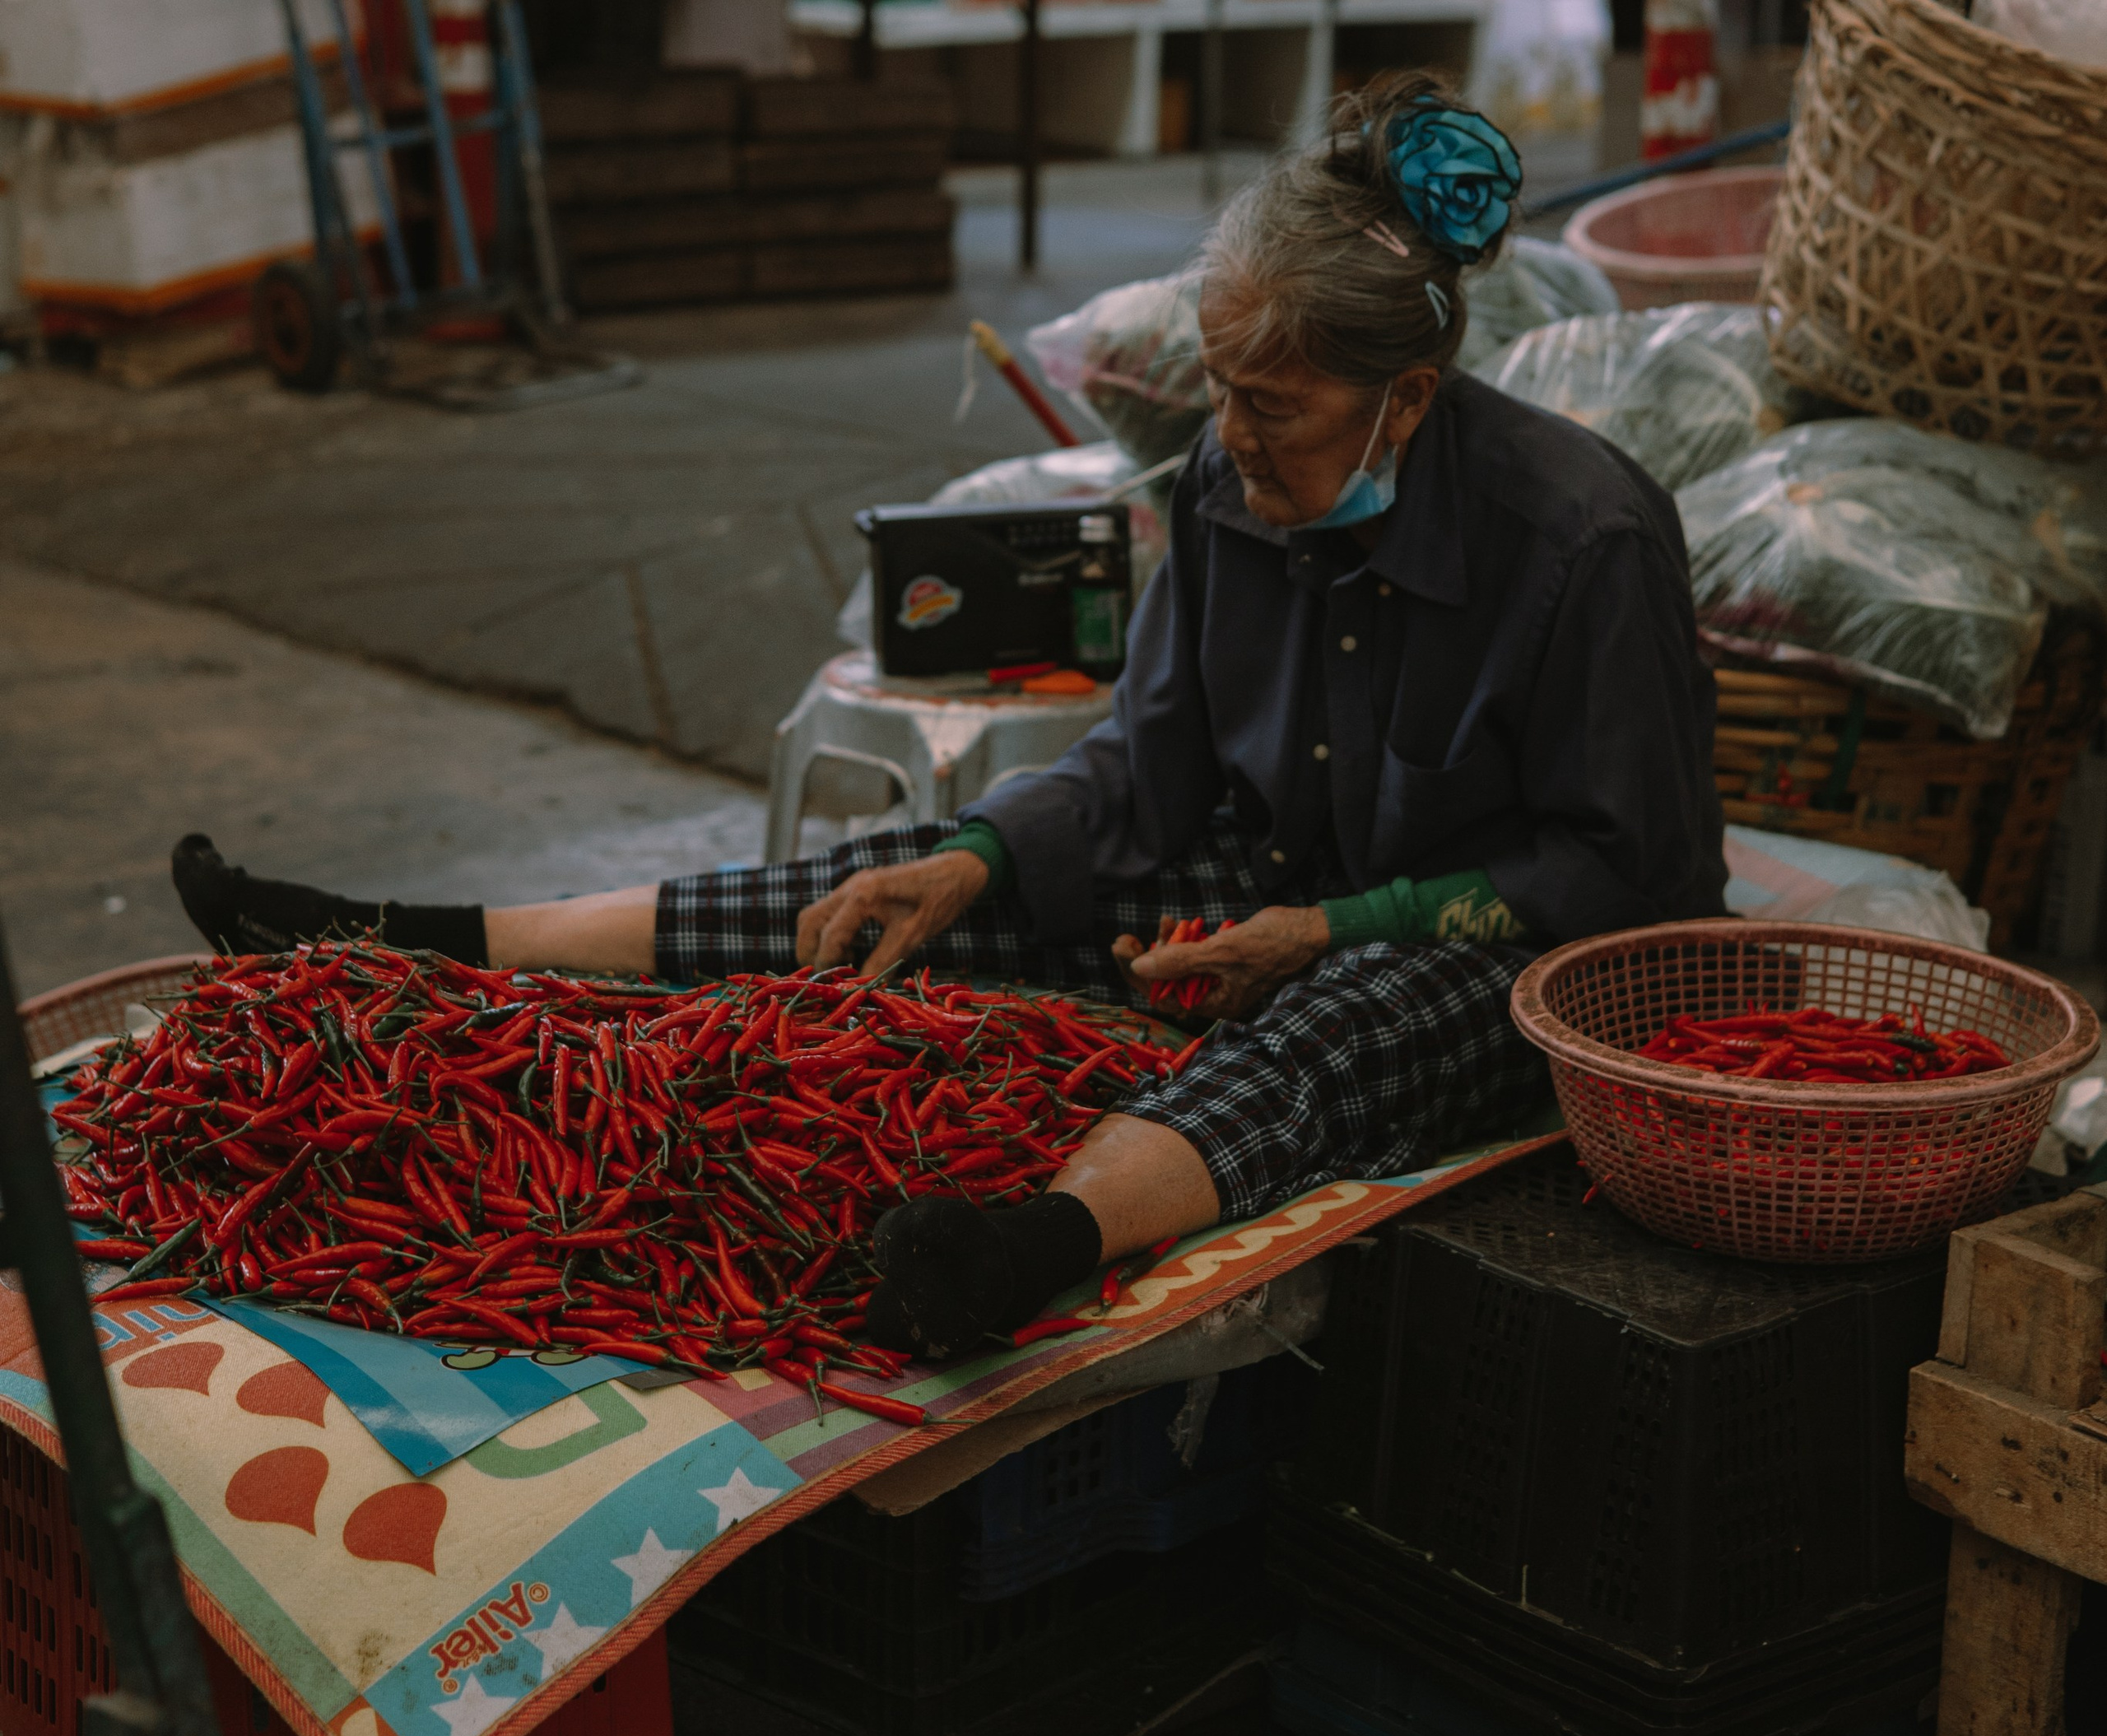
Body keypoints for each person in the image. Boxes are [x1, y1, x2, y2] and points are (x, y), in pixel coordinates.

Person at [172, 73, 1725, 1362]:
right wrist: (982, 857)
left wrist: (1339, 928)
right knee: (898, 893)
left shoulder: (1581, 538)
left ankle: (1031, 1247)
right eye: (1223, 393)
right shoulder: (1226, 478)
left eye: (1281, 409)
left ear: (1414, 390)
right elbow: (1155, 765)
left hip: (1508, 956)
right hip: (1293, 881)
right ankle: (400, 934)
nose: (1234, 443)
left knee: (1346, 1023)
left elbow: (1631, 874)